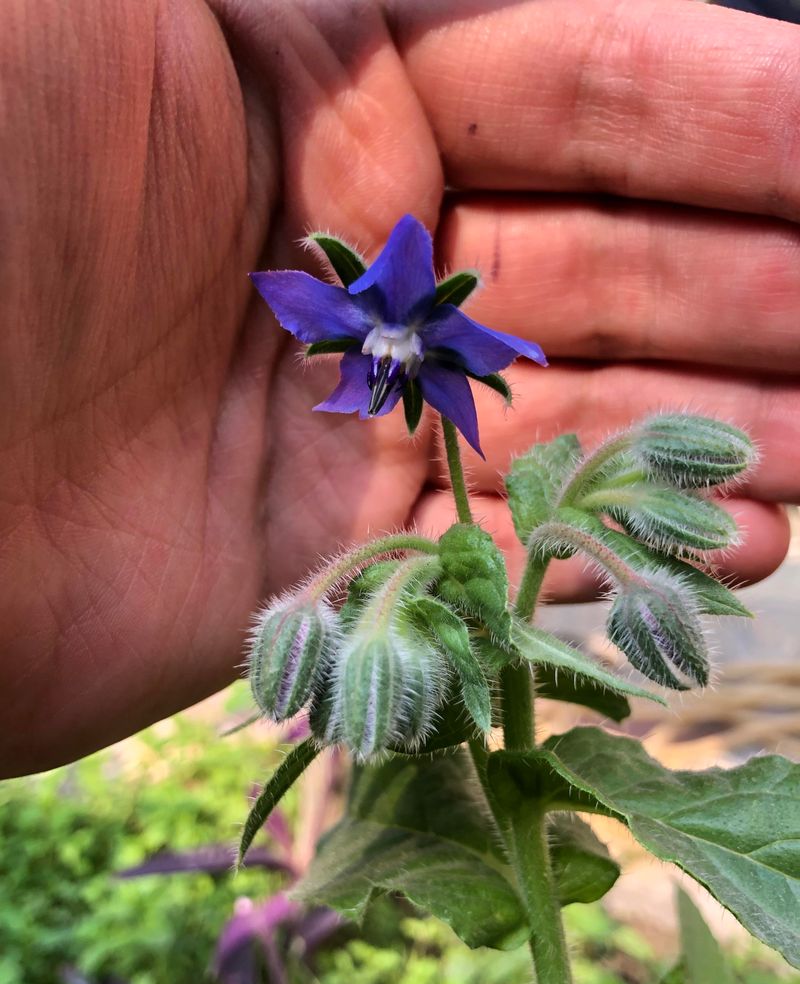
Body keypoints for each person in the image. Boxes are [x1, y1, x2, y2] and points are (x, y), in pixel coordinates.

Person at [2, 0, 799, 777]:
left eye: (389, 361)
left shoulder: (431, 358)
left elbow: (449, 363)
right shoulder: (366, 347)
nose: (379, 371)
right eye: (376, 362)